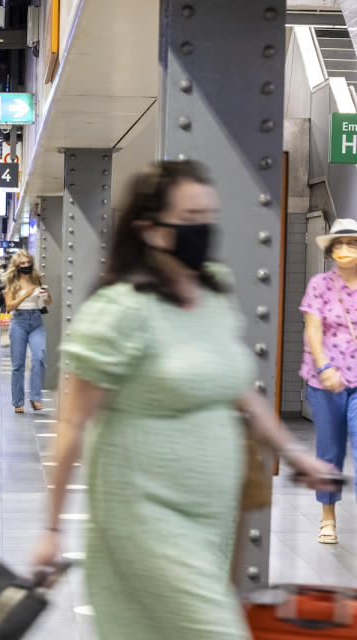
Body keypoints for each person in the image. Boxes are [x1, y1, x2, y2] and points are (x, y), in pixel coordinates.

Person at [30, 161, 337, 640]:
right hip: (143, 516)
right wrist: (51, 531)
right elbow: (72, 426)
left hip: (211, 517)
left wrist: (296, 453)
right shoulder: (120, 311)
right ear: (150, 231)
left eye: (208, 216)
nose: (205, 229)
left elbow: (238, 392)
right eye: (190, 218)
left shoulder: (213, 291)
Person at [299, 217, 357, 544]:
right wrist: (325, 367)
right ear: (332, 250)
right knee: (330, 451)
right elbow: (313, 330)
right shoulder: (319, 285)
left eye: (352, 244)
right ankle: (327, 516)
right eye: (340, 245)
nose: (346, 250)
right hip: (327, 383)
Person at [4, 251, 51, 412]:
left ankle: (35, 397)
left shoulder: (38, 278)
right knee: (18, 364)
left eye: (28, 262)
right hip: (19, 321)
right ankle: (18, 401)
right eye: (22, 264)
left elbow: (48, 302)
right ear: (16, 266)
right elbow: (9, 306)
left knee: (39, 357)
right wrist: (26, 294)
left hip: (37, 320)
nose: (25, 266)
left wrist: (45, 295)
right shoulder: (11, 281)